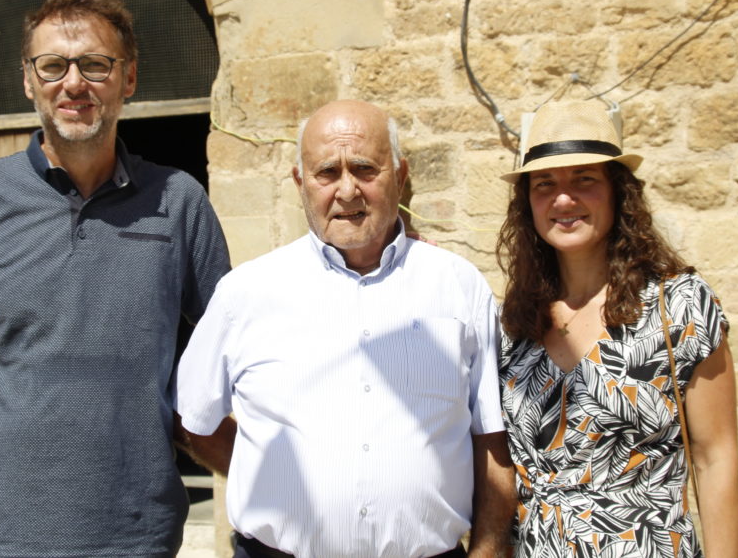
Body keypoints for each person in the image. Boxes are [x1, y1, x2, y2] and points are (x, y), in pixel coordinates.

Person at [0, 0, 230, 557]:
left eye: (95, 64)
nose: (74, 83)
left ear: (128, 79)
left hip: (134, 532)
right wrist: (7, 439)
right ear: (28, 80)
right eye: (53, 65)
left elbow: (230, 345)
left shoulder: (180, 202)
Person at [174, 99, 516, 558]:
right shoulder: (247, 293)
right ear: (300, 182)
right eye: (327, 173)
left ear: (401, 173)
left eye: (364, 169)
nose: (348, 190)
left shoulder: (457, 287)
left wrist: (490, 550)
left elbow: (491, 441)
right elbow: (193, 420)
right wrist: (268, 475)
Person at [495, 99, 738, 557]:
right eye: (544, 183)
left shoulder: (680, 305)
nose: (563, 198)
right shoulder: (514, 321)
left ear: (617, 192)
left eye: (584, 179)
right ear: (527, 201)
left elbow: (716, 459)